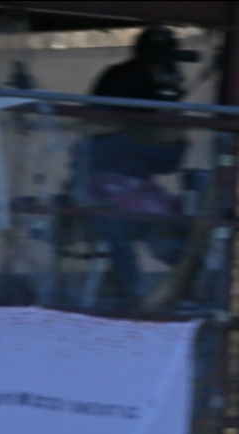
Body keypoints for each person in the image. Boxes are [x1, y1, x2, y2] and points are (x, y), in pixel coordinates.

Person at [81, 25, 192, 307]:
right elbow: (99, 130)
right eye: (159, 57)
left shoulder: (161, 84)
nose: (163, 65)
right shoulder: (121, 78)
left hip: (135, 181)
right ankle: (134, 298)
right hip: (103, 179)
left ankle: (179, 295)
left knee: (174, 222)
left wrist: (166, 108)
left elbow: (170, 155)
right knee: (122, 225)